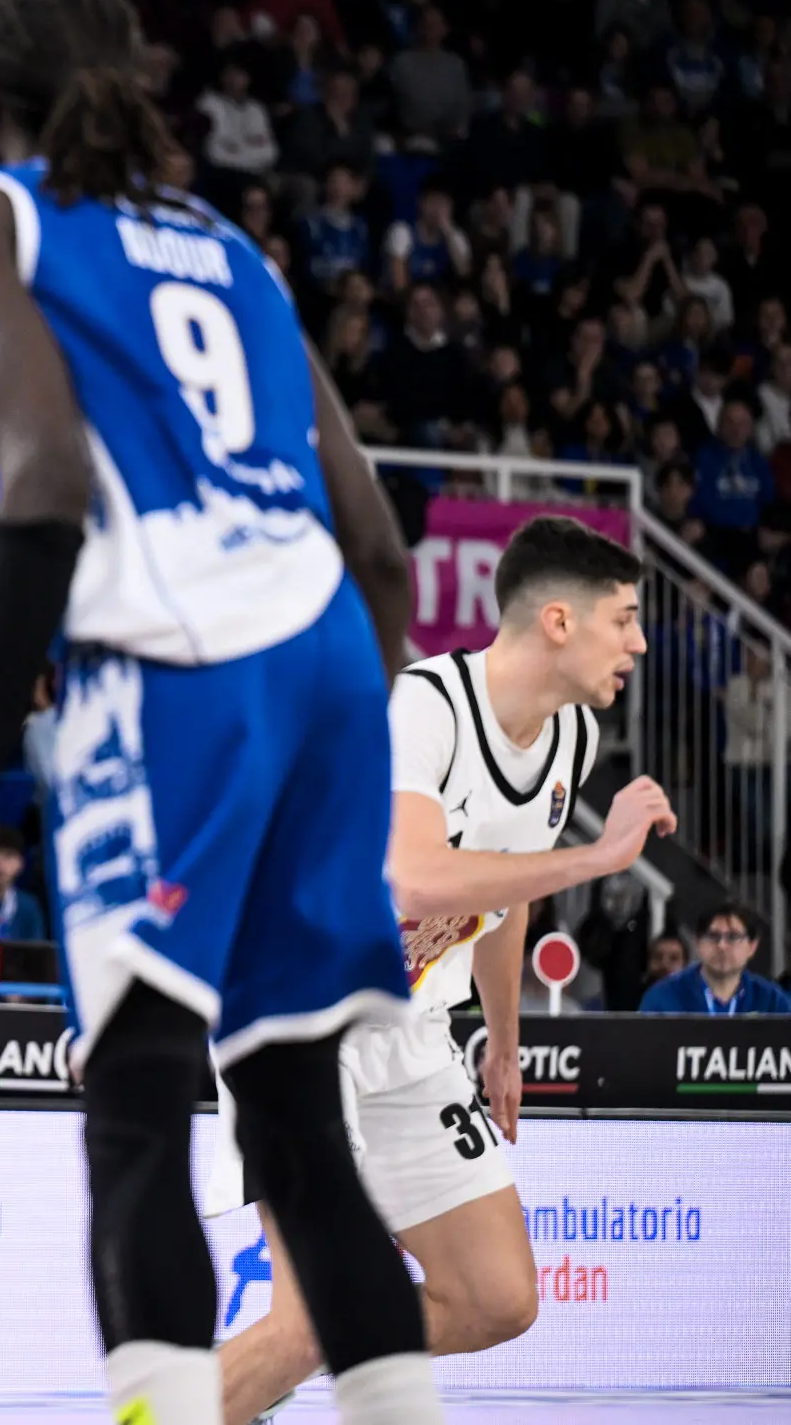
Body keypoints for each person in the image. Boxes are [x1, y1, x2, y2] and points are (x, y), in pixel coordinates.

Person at [0, 0, 436, 1425]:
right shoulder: (229, 246)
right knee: (296, 1131)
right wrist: (318, 740)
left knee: (135, 1108)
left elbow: (50, 484)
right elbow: (380, 543)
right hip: (324, 647)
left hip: (176, 661)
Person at [210, 515, 677, 1424]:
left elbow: (506, 896)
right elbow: (417, 876)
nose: (638, 641)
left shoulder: (571, 737)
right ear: (557, 621)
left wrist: (504, 1039)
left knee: (498, 1296)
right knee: (313, 1319)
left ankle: (251, 1383)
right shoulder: (425, 703)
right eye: (623, 618)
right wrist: (600, 856)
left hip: (413, 1034)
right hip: (299, 1022)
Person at [640, 901, 791, 1014]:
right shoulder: (663, 996)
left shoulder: (771, 1000)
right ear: (698, 943)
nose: (722, 946)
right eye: (713, 936)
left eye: (732, 937)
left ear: (752, 946)